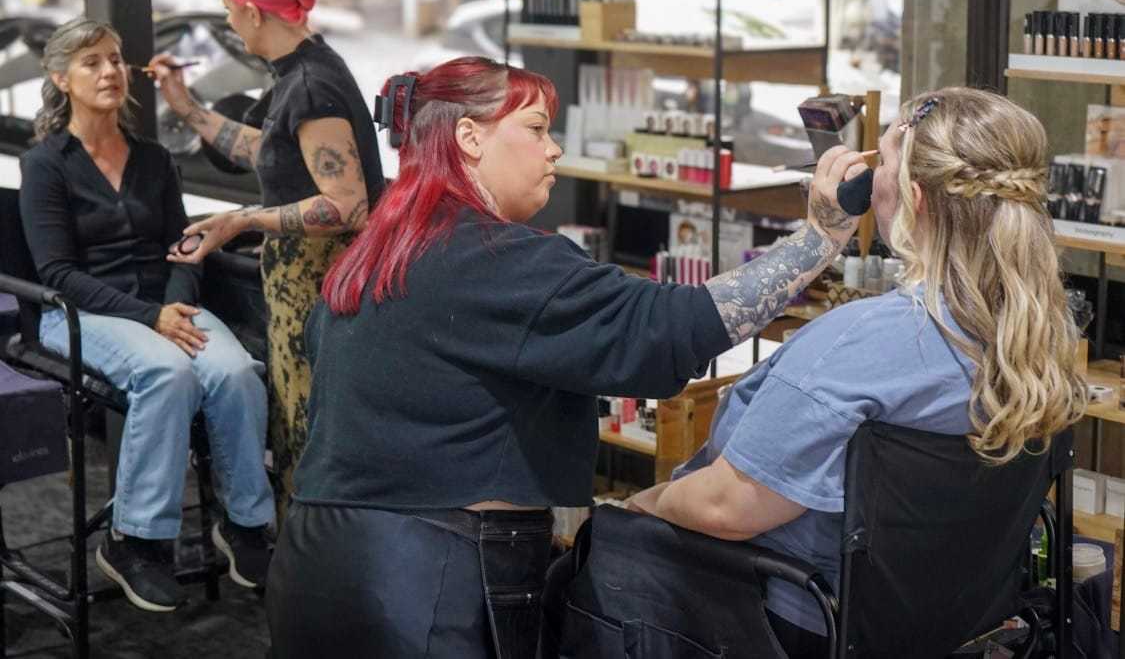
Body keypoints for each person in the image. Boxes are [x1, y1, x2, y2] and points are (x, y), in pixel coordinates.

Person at [264, 55, 870, 658]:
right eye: (535, 128)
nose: (553, 149)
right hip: (421, 586)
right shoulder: (493, 259)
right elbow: (669, 328)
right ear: (469, 137)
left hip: (315, 562)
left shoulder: (379, 253)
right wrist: (820, 239)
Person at [600, 87, 1086, 657]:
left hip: (796, 621)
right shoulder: (1042, 339)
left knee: (593, 552)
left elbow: (723, 507)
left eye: (881, 162)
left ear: (914, 198)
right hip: (939, 627)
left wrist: (644, 505)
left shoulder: (861, 342)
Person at [18, 19, 274, 612]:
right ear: (61, 79)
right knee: (168, 372)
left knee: (237, 372)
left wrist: (175, 304)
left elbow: (182, 246)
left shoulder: (154, 159)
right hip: (80, 313)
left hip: (164, 306)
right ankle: (135, 540)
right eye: (91, 63)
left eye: (114, 59)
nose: (109, 71)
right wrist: (150, 315)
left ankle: (244, 523)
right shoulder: (46, 164)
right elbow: (58, 274)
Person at [148, 0, 385, 514]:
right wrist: (187, 107)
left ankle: (314, 559)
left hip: (323, 290)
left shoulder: (311, 85)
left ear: (253, 12)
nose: (230, 21)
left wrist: (243, 219)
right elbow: (273, 151)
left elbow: (348, 205)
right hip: (302, 287)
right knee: (297, 430)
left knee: (311, 436)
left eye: (230, 9)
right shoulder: (302, 69)